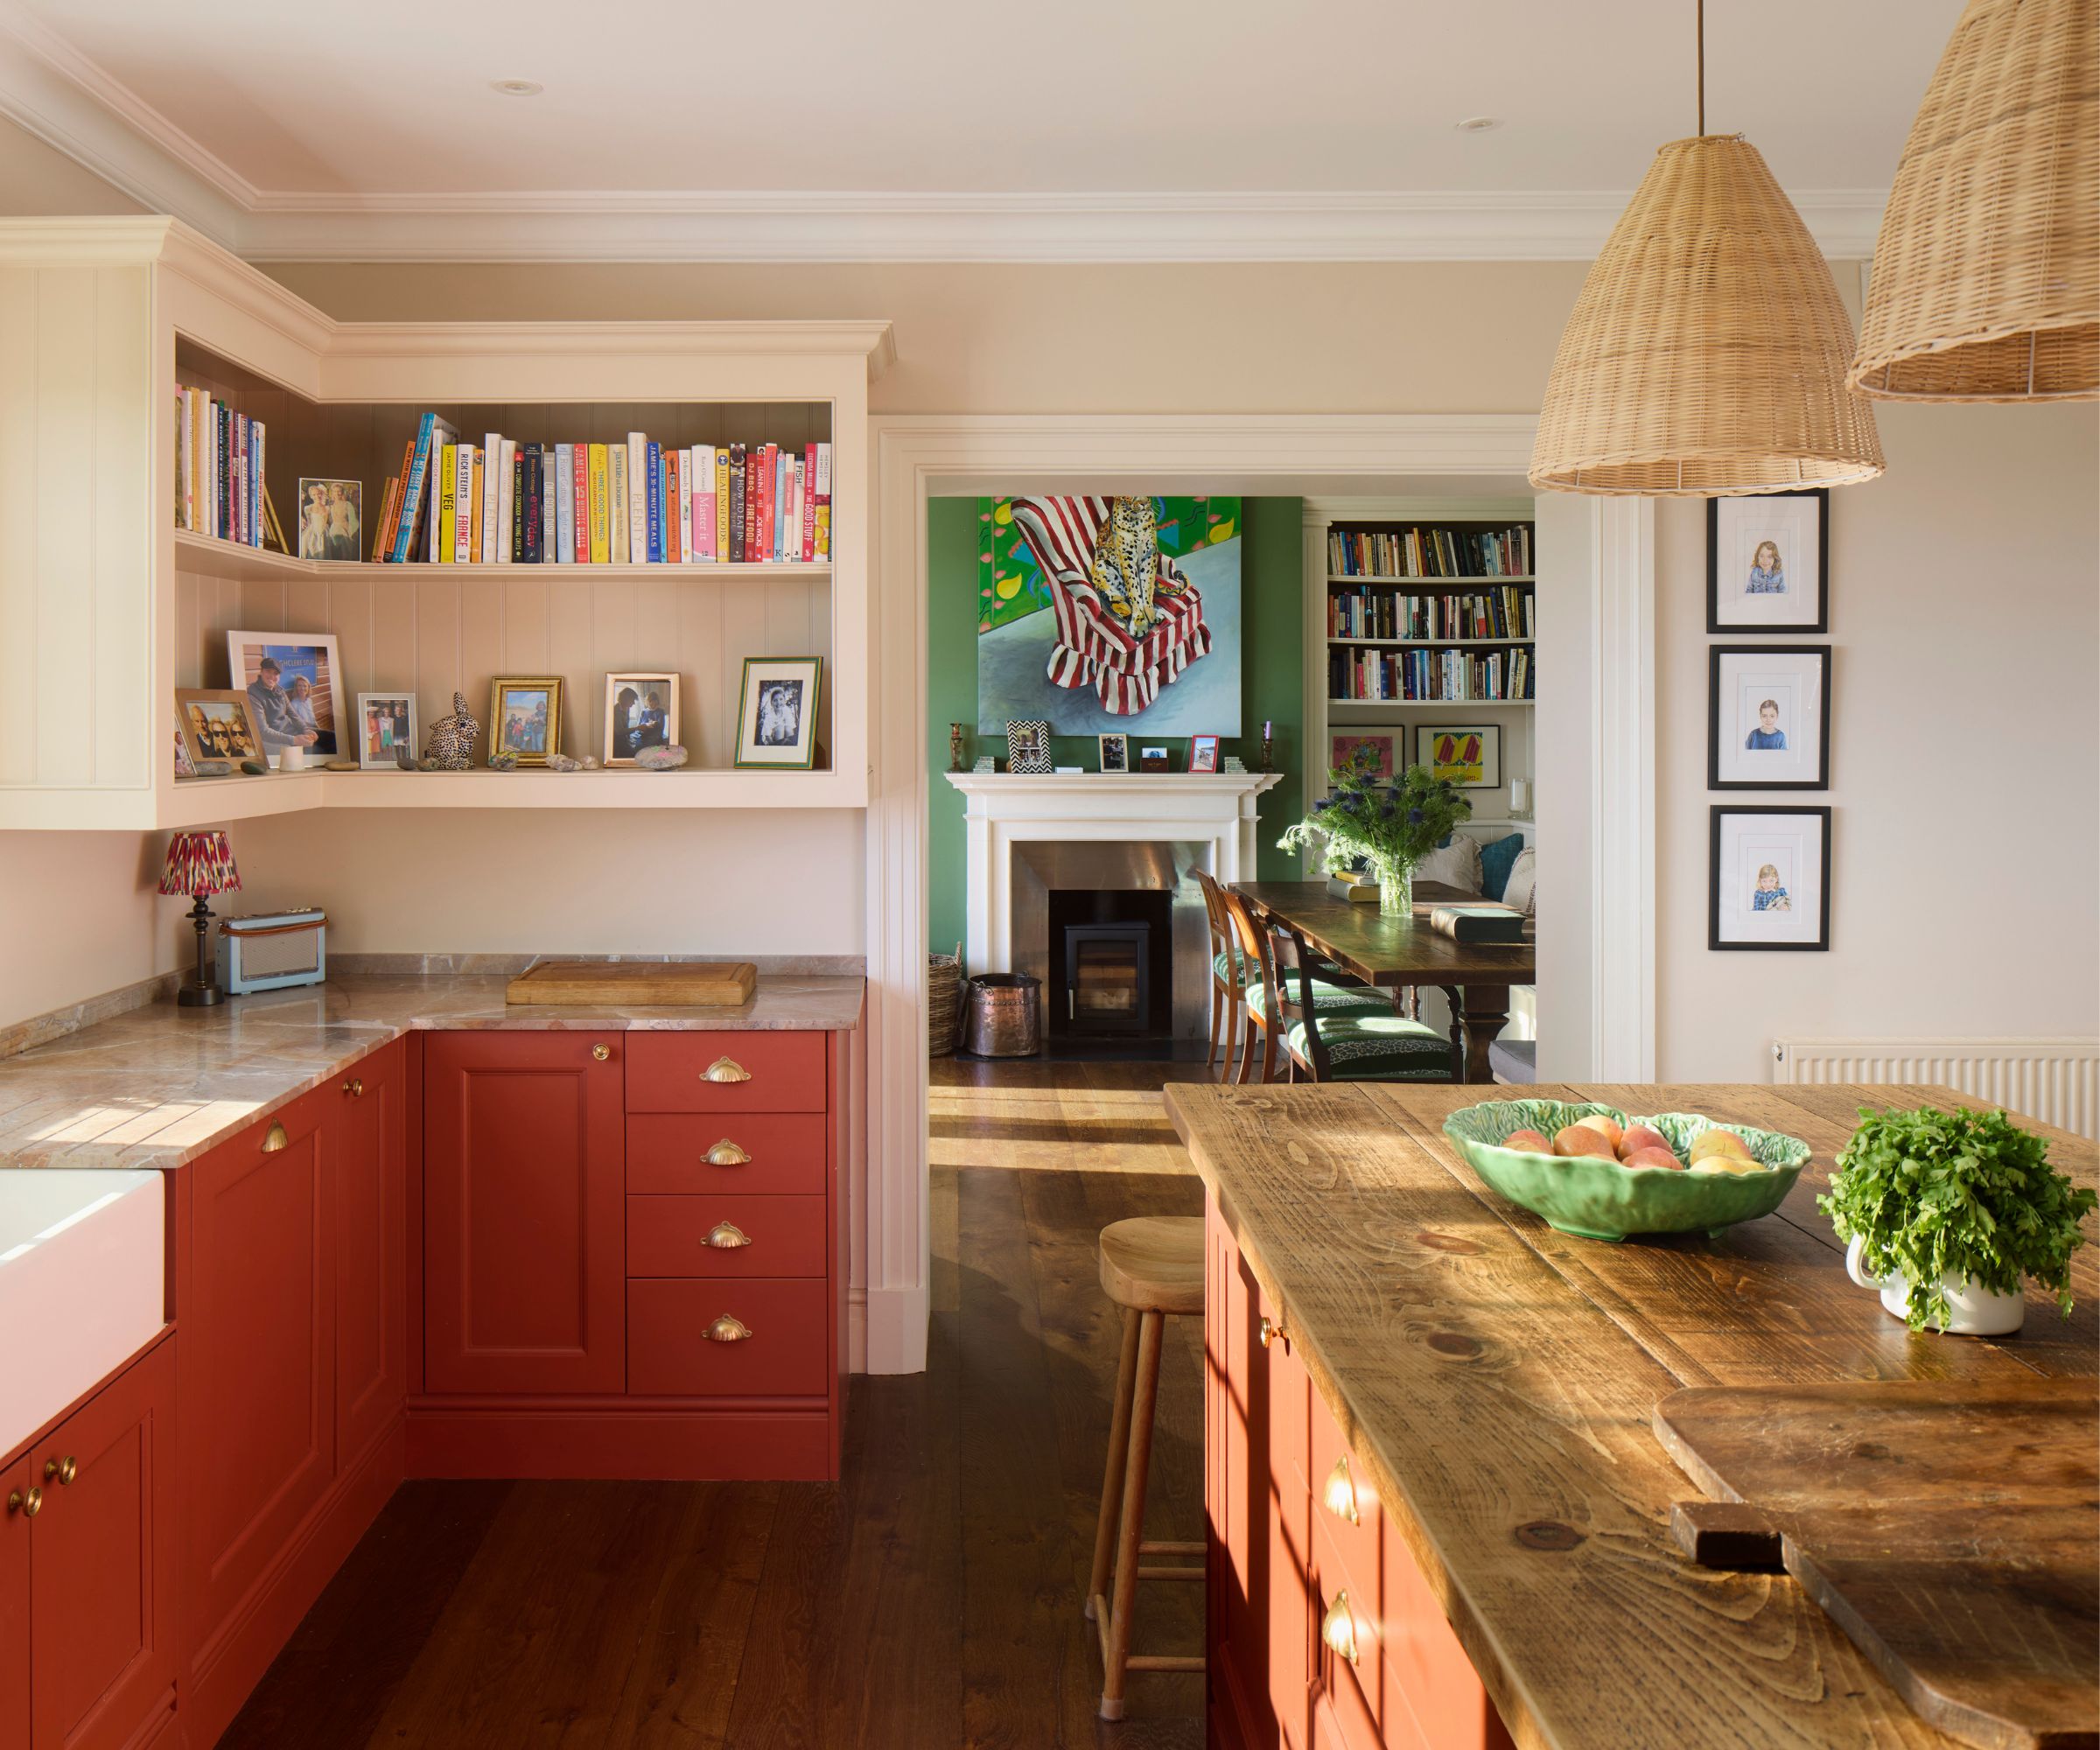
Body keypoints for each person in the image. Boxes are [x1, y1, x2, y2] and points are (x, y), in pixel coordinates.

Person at [248, 656, 317, 754]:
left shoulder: (280, 691)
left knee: (325, 737)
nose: (272, 676)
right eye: (268, 671)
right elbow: (263, 731)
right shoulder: (253, 694)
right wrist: (295, 740)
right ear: (261, 672)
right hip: (274, 739)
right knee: (302, 753)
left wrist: (305, 730)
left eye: (275, 673)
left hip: (290, 731)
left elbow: (293, 714)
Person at [325, 483, 360, 562]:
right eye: (335, 491)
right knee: (335, 554)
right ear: (332, 493)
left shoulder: (348, 504)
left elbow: (353, 521)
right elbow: (328, 520)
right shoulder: (330, 505)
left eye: (339, 491)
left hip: (345, 530)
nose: (337, 493)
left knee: (346, 554)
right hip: (334, 531)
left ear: (342, 492)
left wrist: (351, 533)